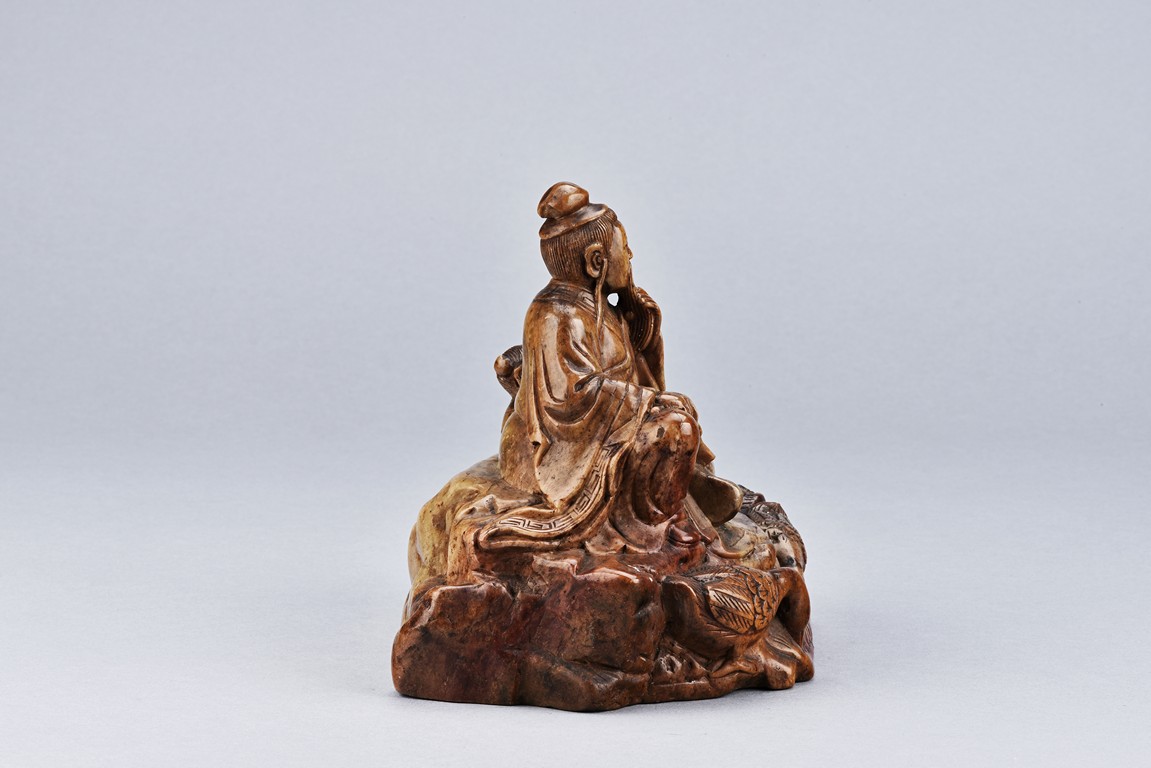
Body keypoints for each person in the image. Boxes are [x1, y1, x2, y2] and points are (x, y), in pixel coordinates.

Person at [484, 182, 743, 555]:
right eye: (626, 250)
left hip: (610, 423)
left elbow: (631, 370)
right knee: (673, 428)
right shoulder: (556, 313)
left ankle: (681, 505)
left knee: (680, 413)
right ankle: (654, 527)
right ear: (596, 261)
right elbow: (571, 397)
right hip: (565, 444)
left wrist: (644, 327)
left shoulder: (606, 307)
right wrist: (647, 402)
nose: (631, 256)